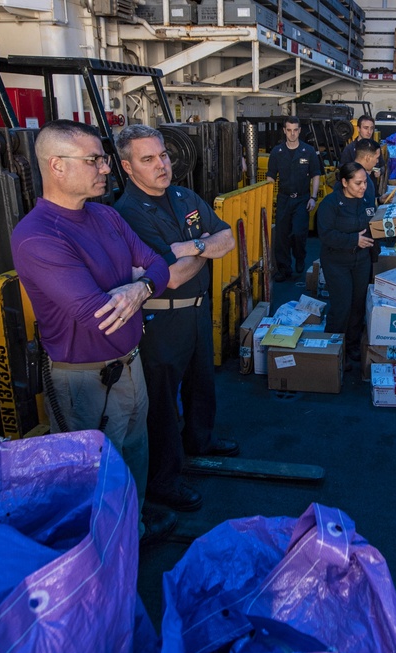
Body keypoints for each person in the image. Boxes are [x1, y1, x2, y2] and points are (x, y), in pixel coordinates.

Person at [10, 120, 173, 544]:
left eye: (102, 159)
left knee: (134, 455)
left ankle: (132, 534)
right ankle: (102, 557)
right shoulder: (37, 236)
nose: (105, 168)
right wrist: (140, 287)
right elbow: (97, 312)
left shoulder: (105, 215)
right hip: (84, 380)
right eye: (95, 160)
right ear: (57, 166)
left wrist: (140, 287)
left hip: (129, 365)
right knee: (95, 476)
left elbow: (157, 264)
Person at [114, 124, 238, 515]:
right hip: (161, 322)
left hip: (197, 311)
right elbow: (173, 273)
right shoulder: (128, 213)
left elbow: (228, 237)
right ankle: (165, 480)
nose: (161, 165)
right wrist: (205, 249)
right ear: (128, 167)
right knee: (163, 403)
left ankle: (200, 439)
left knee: (202, 380)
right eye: (148, 159)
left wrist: (194, 246)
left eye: (163, 155)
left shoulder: (184, 195)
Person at [317, 162, 376, 369]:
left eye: (365, 183)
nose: (363, 187)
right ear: (344, 182)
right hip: (337, 262)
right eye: (358, 183)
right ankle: (334, 348)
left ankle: (351, 345)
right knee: (342, 306)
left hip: (362, 261)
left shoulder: (367, 200)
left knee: (358, 305)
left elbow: (373, 227)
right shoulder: (330, 204)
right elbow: (325, 235)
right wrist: (353, 240)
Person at [266, 116, 322, 281]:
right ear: (284, 131)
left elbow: (316, 175)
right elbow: (270, 177)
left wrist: (313, 197)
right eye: (289, 130)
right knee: (281, 236)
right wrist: (268, 198)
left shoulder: (308, 151)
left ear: (299, 131)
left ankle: (299, 257)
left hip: (302, 199)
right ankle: (284, 269)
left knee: (298, 232)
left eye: (295, 130)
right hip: (283, 198)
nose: (292, 134)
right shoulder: (277, 152)